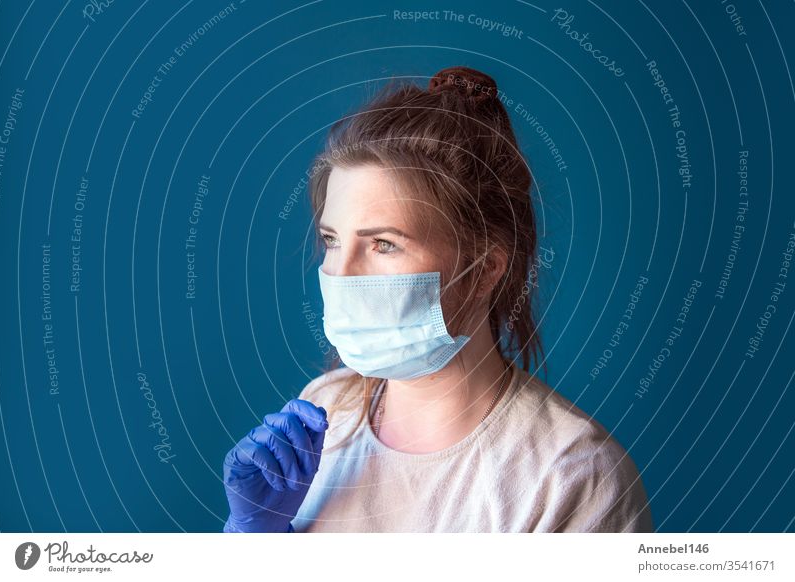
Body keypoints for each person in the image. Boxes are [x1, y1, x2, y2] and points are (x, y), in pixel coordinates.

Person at [222, 65, 654, 533]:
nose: (338, 273)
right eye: (331, 240)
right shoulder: (323, 413)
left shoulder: (571, 477)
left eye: (383, 244)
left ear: (485, 268)